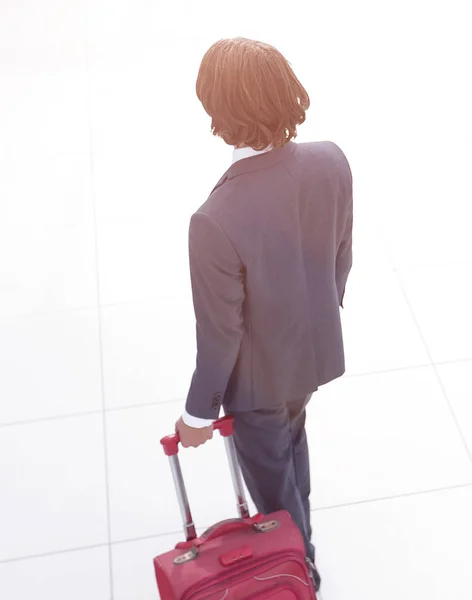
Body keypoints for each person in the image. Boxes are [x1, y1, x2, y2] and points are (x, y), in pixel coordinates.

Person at [175, 37, 353, 593]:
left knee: (274, 488)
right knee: (291, 446)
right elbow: (340, 257)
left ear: (217, 115)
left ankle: (299, 573)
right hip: (313, 357)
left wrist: (196, 417)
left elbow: (221, 334)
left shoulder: (214, 218)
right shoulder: (331, 161)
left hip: (255, 384)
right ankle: (304, 549)